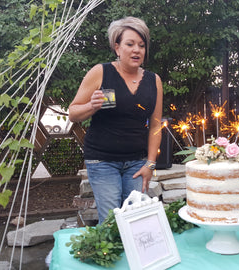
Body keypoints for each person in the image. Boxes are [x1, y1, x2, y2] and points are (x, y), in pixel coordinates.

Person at [69, 17, 163, 223]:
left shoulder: (153, 81)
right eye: (130, 44)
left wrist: (150, 164)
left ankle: (134, 255)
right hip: (102, 161)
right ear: (117, 47)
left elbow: (156, 125)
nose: (136, 50)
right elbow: (73, 113)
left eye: (141, 45)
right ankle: (111, 254)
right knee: (112, 220)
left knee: (136, 217)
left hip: (137, 163)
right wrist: (91, 106)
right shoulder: (100, 72)